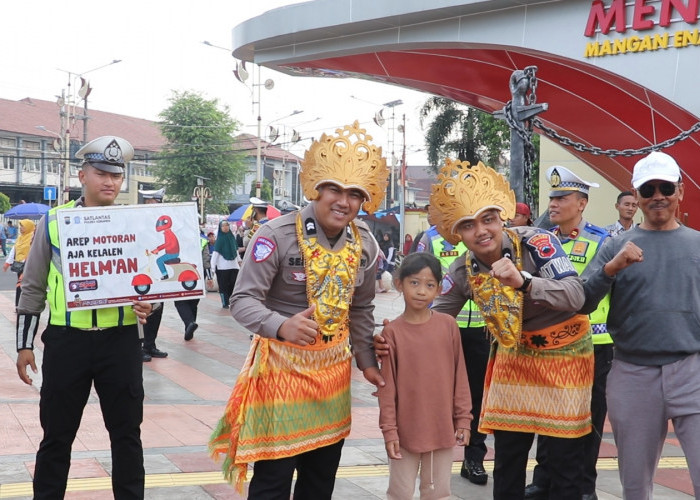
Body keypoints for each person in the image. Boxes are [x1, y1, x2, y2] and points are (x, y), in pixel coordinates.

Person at [375, 159, 593, 499]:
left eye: (488, 219)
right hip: (513, 359)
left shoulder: (538, 241)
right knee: (507, 460)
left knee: (565, 465)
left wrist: (523, 282)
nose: (481, 231)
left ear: (501, 217)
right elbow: (430, 313)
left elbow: (576, 295)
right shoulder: (463, 269)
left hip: (562, 355)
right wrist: (391, 337)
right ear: (457, 234)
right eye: (468, 225)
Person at [209, 121, 387, 498]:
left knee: (321, 477)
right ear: (316, 189)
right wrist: (280, 326)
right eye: (334, 190)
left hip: (333, 372)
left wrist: (367, 361)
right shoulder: (275, 234)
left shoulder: (365, 245)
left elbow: (362, 306)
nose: (343, 201)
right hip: (281, 370)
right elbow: (242, 300)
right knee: (274, 478)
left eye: (354, 194)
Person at [15, 136, 153, 499]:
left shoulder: (136, 223)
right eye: (101, 173)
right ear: (82, 175)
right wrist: (24, 344)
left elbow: (153, 285)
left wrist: (149, 306)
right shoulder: (55, 221)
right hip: (67, 342)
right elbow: (33, 286)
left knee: (126, 436)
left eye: (117, 175)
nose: (110, 181)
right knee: (57, 437)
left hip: (121, 342)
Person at [580, 151, 700, 499]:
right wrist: (610, 269)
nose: (658, 196)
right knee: (634, 485)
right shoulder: (615, 246)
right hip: (632, 372)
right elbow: (585, 301)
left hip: (691, 369)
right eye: (649, 189)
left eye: (666, 187)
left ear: (680, 191)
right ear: (636, 196)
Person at [525, 166, 611, 500]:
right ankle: (542, 479)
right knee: (547, 417)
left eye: (562, 197)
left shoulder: (602, 241)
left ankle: (584, 486)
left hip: (593, 344)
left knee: (587, 421)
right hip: (549, 342)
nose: (554, 204)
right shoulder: (540, 242)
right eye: (552, 198)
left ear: (582, 203)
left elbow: (593, 290)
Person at [378, 252, 472, 499]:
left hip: (442, 430)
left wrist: (463, 419)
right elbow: (387, 388)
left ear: (439, 289)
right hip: (405, 432)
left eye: (429, 285)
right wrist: (389, 431)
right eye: (414, 283)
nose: (422, 291)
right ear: (399, 284)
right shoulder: (392, 333)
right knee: (400, 493)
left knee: (439, 493)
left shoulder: (448, 325)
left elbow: (459, 375)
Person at [417, 204, 490, 486]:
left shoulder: (486, 235)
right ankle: (435, 456)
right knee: (440, 394)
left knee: (477, 397)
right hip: (444, 327)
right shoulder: (432, 237)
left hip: (483, 328)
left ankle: (474, 459)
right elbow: (418, 279)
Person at [138, 188, 168, 362]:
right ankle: (140, 346)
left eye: (157, 202)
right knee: (142, 312)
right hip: (144, 272)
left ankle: (150, 344)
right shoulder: (139, 222)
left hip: (158, 273)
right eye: (152, 202)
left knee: (158, 309)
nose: (155, 205)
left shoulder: (161, 225)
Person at [175, 231, 213, 342]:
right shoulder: (203, 240)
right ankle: (189, 327)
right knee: (193, 302)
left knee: (180, 301)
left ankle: (189, 323)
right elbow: (206, 260)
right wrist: (209, 277)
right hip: (198, 275)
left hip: (182, 272)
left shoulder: (179, 235)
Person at [3, 219, 37, 306]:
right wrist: (7, 263)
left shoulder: (34, 237)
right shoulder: (20, 237)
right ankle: (18, 305)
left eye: (23, 226)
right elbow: (14, 250)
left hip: (29, 265)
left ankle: (23, 305)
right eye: (20, 226)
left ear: (28, 227)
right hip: (19, 265)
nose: (21, 228)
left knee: (23, 286)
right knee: (20, 286)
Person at [210, 219, 239, 310]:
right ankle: (225, 302)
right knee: (223, 286)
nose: (225, 227)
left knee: (233, 284)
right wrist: (212, 269)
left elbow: (236, 250)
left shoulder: (232, 237)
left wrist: (239, 260)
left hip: (234, 266)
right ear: (220, 228)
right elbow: (215, 255)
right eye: (223, 226)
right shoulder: (219, 240)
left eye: (227, 225)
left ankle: (231, 301)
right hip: (222, 267)